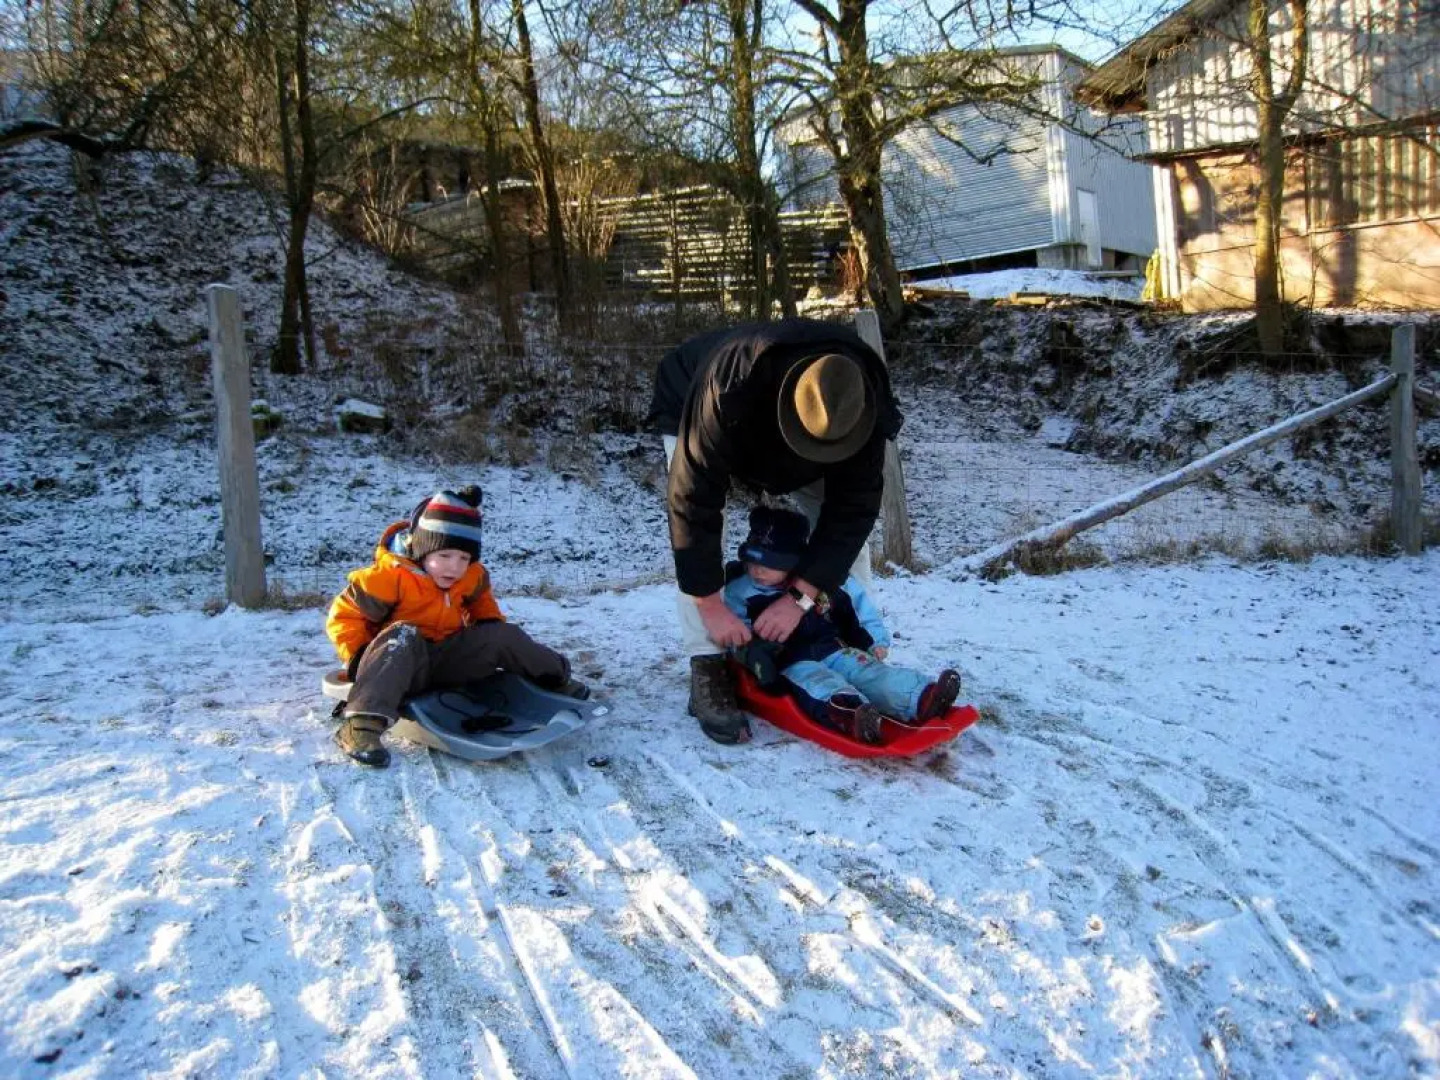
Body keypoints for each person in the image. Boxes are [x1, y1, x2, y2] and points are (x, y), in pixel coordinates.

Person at [648, 317, 904, 745]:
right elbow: (693, 509)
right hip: (696, 405)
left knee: (843, 538)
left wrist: (803, 597)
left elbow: (853, 512)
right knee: (705, 528)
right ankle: (707, 666)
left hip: (803, 431)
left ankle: (847, 647)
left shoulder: (861, 399)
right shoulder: (727, 389)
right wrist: (711, 606)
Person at [325, 485, 585, 768]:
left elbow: (484, 612)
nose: (455, 567)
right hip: (401, 666)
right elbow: (345, 616)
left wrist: (490, 638)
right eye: (445, 556)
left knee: (501, 633)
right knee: (404, 634)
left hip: (448, 660)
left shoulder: (471, 576)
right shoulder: (388, 578)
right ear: (423, 549)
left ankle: (555, 680)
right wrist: (360, 658)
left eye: (464, 558)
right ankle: (361, 725)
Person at [722, 507, 961, 744]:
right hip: (792, 661)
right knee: (820, 684)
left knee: (871, 674)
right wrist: (752, 653)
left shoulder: (819, 581)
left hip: (835, 649)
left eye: (769, 563)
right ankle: (852, 715)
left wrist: (873, 640)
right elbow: (734, 631)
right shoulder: (740, 592)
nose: (757, 570)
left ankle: (922, 698)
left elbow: (857, 605)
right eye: (751, 560)